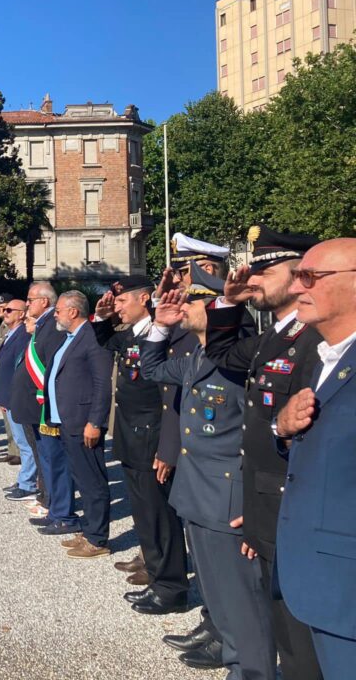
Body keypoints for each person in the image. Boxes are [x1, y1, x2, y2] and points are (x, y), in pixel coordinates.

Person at [141, 271, 277, 680]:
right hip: (196, 495)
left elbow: (261, 434)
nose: (183, 306)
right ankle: (232, 657)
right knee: (218, 596)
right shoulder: (197, 358)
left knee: (243, 605)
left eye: (193, 301)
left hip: (227, 499)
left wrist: (256, 500)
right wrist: (161, 327)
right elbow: (151, 369)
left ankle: (251, 671)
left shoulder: (241, 361)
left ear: (220, 309)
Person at [204, 225, 323, 680]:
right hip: (265, 501)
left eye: (264, 268)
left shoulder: (314, 340)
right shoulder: (276, 336)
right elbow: (224, 354)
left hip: (288, 505)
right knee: (284, 629)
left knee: (302, 638)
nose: (252, 277)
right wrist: (229, 302)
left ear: (299, 276)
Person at [274, 238, 356, 678]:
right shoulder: (326, 357)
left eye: (310, 277)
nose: (295, 288)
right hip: (316, 575)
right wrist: (282, 429)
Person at [93, 276, 189, 609]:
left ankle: (170, 582)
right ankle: (153, 566)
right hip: (130, 436)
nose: (116, 306)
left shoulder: (162, 334)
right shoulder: (132, 335)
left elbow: (170, 395)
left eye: (121, 302)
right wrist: (102, 317)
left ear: (144, 299)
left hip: (152, 436)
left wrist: (168, 446)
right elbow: (105, 341)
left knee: (160, 514)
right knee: (143, 512)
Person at [43, 290, 113, 558]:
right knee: (81, 479)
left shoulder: (91, 337)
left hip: (84, 422)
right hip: (66, 421)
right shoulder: (70, 338)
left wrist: (95, 421)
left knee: (93, 481)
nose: (56, 314)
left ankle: (98, 540)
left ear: (73, 311)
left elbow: (102, 383)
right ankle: (89, 529)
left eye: (58, 310)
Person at [13, 282, 65, 523]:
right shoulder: (43, 324)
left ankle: (55, 506)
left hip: (43, 404)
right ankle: (51, 502)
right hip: (35, 403)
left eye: (30, 299)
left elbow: (50, 365)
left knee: (52, 459)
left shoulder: (51, 326)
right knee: (44, 456)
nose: (27, 304)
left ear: (44, 301)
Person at [0, 298, 37, 500]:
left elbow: (18, 370)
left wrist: (10, 397)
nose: (5, 312)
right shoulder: (10, 334)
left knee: (26, 444)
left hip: (16, 398)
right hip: (8, 397)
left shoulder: (22, 335)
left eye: (10, 310)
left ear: (22, 314)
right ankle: (24, 479)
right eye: (4, 309)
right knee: (22, 443)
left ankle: (28, 484)